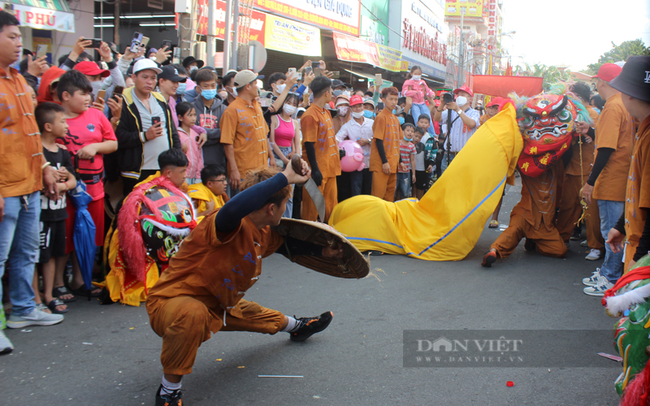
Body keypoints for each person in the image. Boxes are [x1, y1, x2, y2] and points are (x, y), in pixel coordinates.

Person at [146, 162, 342, 406]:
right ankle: (169, 390)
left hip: (218, 302)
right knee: (192, 313)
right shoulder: (226, 223)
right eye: (284, 205)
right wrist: (284, 178)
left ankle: (298, 326)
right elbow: (233, 208)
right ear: (271, 208)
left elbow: (287, 247)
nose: (286, 209)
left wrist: (324, 251)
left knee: (250, 312)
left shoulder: (265, 231)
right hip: (171, 304)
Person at [0, 11, 63, 354]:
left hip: (29, 185)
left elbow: (30, 136)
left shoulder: (20, 82)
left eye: (18, 37)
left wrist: (44, 170)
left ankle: (24, 310)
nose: (18, 43)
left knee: (26, 252)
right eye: (11, 36)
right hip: (4, 187)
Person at [102, 149, 194, 307]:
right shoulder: (143, 190)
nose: (186, 175)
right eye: (183, 171)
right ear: (168, 172)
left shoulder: (178, 186)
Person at [56, 70, 117, 298]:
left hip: (93, 189)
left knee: (88, 237)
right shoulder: (55, 117)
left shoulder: (96, 116)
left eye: (88, 94)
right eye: (82, 94)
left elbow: (112, 143)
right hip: (63, 191)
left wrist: (95, 147)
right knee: (64, 237)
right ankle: (57, 282)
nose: (88, 98)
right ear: (65, 96)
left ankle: (81, 279)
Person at [579, 63, 635, 296]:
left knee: (611, 232)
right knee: (613, 230)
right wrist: (591, 132)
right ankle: (608, 272)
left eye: (597, 81)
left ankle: (611, 278)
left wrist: (589, 182)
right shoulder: (622, 104)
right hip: (620, 177)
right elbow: (614, 141)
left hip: (612, 180)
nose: (596, 85)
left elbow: (607, 149)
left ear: (602, 82)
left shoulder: (613, 107)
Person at [604, 56, 650, 275]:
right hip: (636, 242)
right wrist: (621, 226)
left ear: (630, 94)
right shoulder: (643, 129)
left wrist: (640, 259)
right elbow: (640, 192)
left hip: (643, 254)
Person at [34, 102, 77, 314]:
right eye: (62, 121)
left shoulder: (62, 151)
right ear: (48, 126)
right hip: (40, 213)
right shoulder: (37, 152)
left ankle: (49, 294)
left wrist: (61, 184)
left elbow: (73, 179)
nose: (66, 125)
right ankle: (35, 298)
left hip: (59, 210)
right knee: (37, 256)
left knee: (53, 254)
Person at [116, 59, 181, 196]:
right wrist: (144, 136)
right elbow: (118, 136)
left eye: (153, 78)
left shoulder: (161, 100)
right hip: (136, 170)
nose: (149, 82)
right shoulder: (124, 101)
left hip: (163, 168)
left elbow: (171, 132)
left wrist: (178, 158)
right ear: (134, 77)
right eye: (144, 77)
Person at [555, 82, 604, 260]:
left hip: (588, 168)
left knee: (590, 210)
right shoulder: (570, 113)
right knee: (567, 206)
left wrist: (590, 132)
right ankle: (562, 238)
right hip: (573, 167)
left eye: (571, 94)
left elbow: (599, 135)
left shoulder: (592, 113)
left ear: (578, 96)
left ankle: (595, 246)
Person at [220, 70, 274, 196]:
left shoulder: (256, 106)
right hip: (244, 172)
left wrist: (271, 157)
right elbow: (227, 143)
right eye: (255, 83)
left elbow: (264, 134)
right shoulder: (232, 110)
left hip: (262, 170)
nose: (258, 87)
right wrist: (233, 170)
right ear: (248, 86)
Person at [300, 76, 341, 221]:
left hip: (330, 167)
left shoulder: (326, 112)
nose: (331, 94)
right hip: (317, 169)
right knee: (312, 207)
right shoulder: (310, 115)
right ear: (326, 93)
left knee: (331, 206)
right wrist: (315, 169)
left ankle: (328, 238)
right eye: (331, 91)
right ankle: (307, 240)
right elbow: (308, 143)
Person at [434, 86, 480, 171]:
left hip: (465, 156)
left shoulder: (474, 113)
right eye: (458, 94)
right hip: (448, 155)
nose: (459, 97)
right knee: (446, 183)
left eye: (463, 94)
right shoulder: (450, 111)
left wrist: (458, 109)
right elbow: (437, 118)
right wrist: (441, 104)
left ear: (470, 99)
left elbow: (471, 124)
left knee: (462, 183)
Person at [336, 94, 374, 196]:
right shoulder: (347, 126)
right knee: (356, 191)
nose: (357, 109)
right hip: (355, 164)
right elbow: (336, 139)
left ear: (363, 107)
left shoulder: (371, 123)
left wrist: (368, 141)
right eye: (355, 107)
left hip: (371, 163)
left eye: (359, 106)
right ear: (351, 109)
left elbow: (379, 139)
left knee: (368, 192)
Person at [370, 87, 402, 202]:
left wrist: (401, 161)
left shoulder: (396, 119)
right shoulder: (381, 117)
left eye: (396, 99)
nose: (394, 102)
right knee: (378, 197)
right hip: (381, 164)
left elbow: (397, 142)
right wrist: (384, 162)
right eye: (391, 99)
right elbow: (378, 140)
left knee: (389, 196)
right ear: (383, 100)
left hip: (393, 164)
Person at [191, 67, 227, 169]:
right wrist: (216, 136)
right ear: (198, 88)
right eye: (206, 86)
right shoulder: (191, 108)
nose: (210, 89)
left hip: (218, 161)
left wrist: (204, 135)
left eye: (213, 85)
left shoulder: (224, 109)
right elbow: (192, 131)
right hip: (196, 160)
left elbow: (225, 132)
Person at [176, 101, 204, 185]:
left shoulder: (196, 134)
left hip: (194, 177)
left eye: (194, 115)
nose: (193, 118)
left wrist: (198, 176)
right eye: (190, 115)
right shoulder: (177, 135)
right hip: (182, 176)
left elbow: (200, 157)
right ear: (180, 117)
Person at [402, 66, 435, 133]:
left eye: (419, 74)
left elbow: (427, 90)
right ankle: (419, 133)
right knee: (417, 118)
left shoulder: (422, 82)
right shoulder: (408, 82)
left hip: (422, 103)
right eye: (416, 73)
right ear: (411, 74)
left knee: (428, 119)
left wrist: (431, 94)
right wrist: (413, 92)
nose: (417, 75)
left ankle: (433, 134)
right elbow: (404, 92)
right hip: (414, 104)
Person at [396, 123, 417, 200]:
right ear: (402, 131)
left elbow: (412, 160)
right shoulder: (397, 143)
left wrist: (413, 174)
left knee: (405, 192)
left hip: (406, 172)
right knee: (393, 191)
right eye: (408, 130)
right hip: (396, 171)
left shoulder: (412, 145)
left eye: (412, 131)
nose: (410, 133)